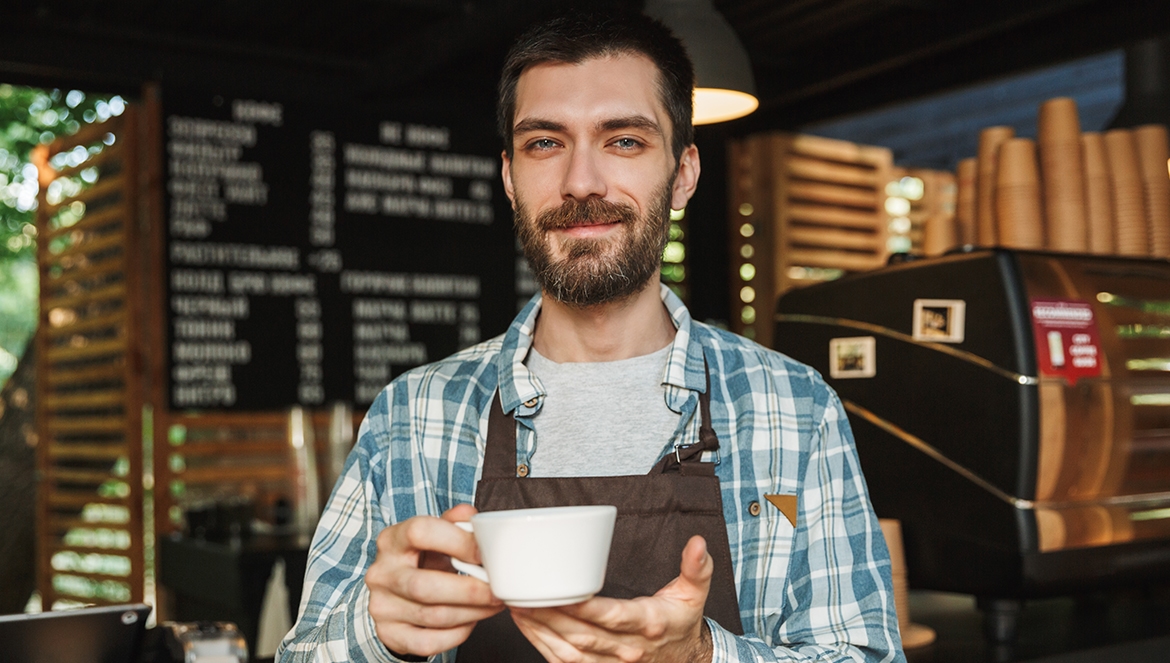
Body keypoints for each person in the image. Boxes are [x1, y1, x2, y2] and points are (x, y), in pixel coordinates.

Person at [279, 9, 904, 663]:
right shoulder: (415, 414)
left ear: (684, 173)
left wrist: (702, 657)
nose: (581, 181)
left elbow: (866, 655)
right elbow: (302, 655)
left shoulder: (794, 406)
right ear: (509, 179)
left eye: (624, 141)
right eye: (545, 143)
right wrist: (375, 631)